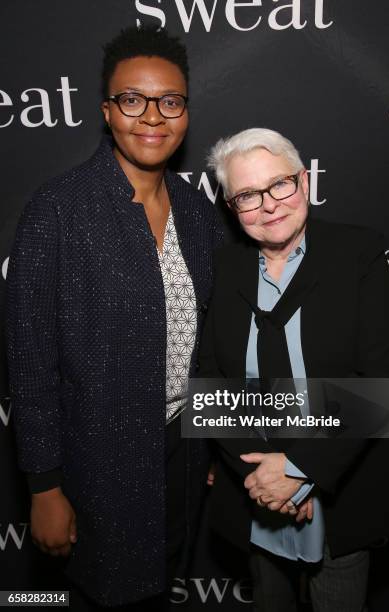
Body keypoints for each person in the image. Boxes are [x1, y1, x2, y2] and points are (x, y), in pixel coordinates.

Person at [6, 26, 222, 609]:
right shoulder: (58, 209)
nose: (152, 116)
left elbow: (209, 341)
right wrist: (45, 485)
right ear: (108, 111)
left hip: (181, 451)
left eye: (169, 101)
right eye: (132, 99)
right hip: (94, 463)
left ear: (185, 111)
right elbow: (31, 362)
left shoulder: (198, 211)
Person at [199, 128, 389, 611]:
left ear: (303, 181)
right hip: (255, 488)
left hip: (342, 483)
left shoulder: (359, 253)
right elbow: (209, 379)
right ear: (231, 206)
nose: (268, 205)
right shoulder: (225, 265)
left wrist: (302, 471)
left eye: (279, 184)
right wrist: (265, 478)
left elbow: (381, 381)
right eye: (247, 195)